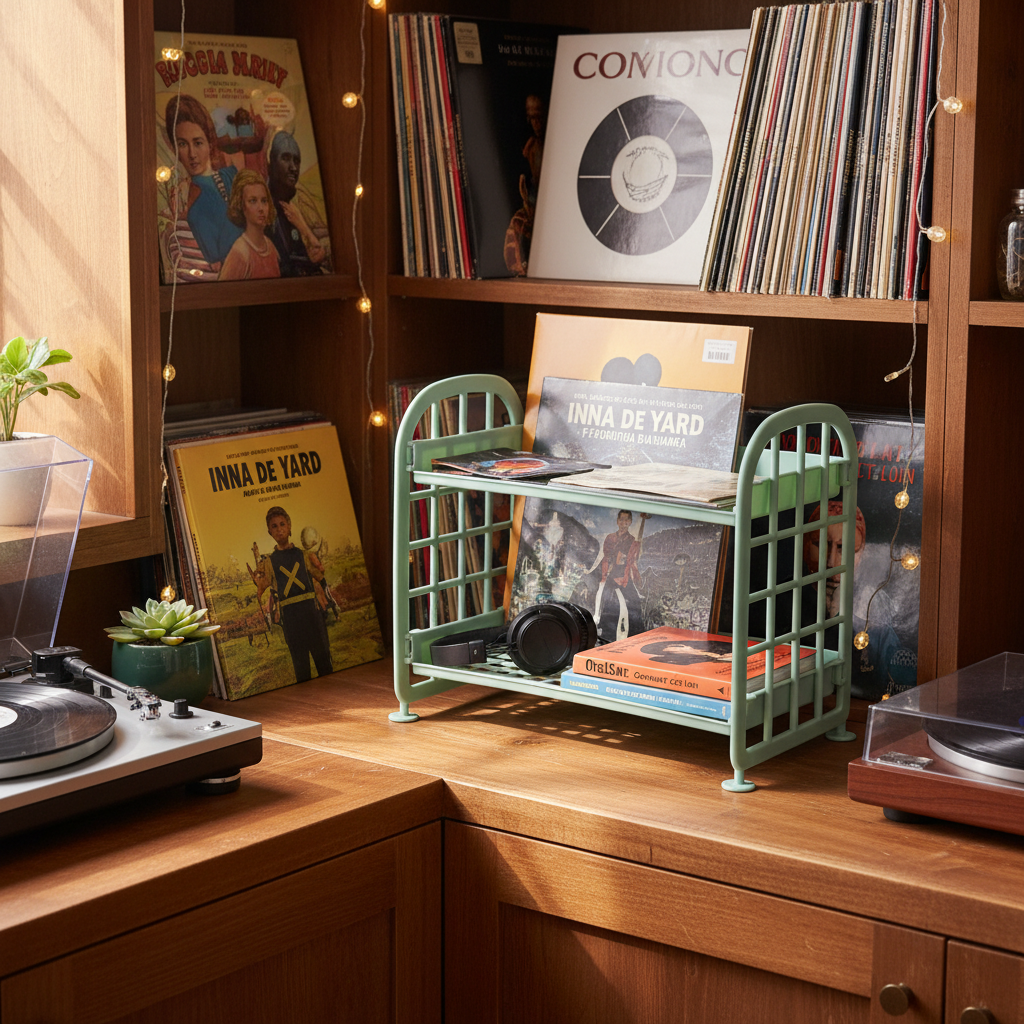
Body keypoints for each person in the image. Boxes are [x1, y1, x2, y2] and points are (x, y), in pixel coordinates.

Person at [163, 94, 242, 269]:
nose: (192, 154)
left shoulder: (231, 177)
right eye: (182, 144)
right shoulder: (178, 195)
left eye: (198, 143)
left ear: (210, 143)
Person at [260, 506, 333, 683]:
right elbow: (263, 591)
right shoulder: (269, 563)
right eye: (274, 526)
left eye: (282, 524)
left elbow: (321, 578)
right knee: (301, 669)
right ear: (270, 532)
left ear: (289, 526)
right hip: (291, 620)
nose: (279, 529)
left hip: (312, 615)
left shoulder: (304, 555)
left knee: (324, 663)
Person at [266, 130, 331, 276]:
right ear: (272, 162)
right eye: (286, 158)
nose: (293, 168)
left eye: (296, 161)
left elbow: (319, 232)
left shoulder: (301, 198)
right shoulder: (261, 200)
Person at [504, 94, 548, 275]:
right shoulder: (531, 148)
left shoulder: (553, 145)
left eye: (539, 118)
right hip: (533, 205)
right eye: (532, 119)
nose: (535, 124)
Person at [595, 510, 651, 641]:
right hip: (611, 573)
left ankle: (636, 634)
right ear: (617, 521)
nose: (623, 522)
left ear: (630, 522)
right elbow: (607, 554)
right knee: (609, 601)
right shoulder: (610, 538)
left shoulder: (631, 540)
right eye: (621, 519)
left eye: (627, 520)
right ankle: (605, 633)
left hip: (624, 574)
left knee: (635, 601)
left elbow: (632, 556)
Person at [218, 171, 281, 281]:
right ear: (241, 206)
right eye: (253, 201)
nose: (261, 208)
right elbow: (223, 293)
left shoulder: (270, 247)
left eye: (264, 201)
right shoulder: (240, 253)